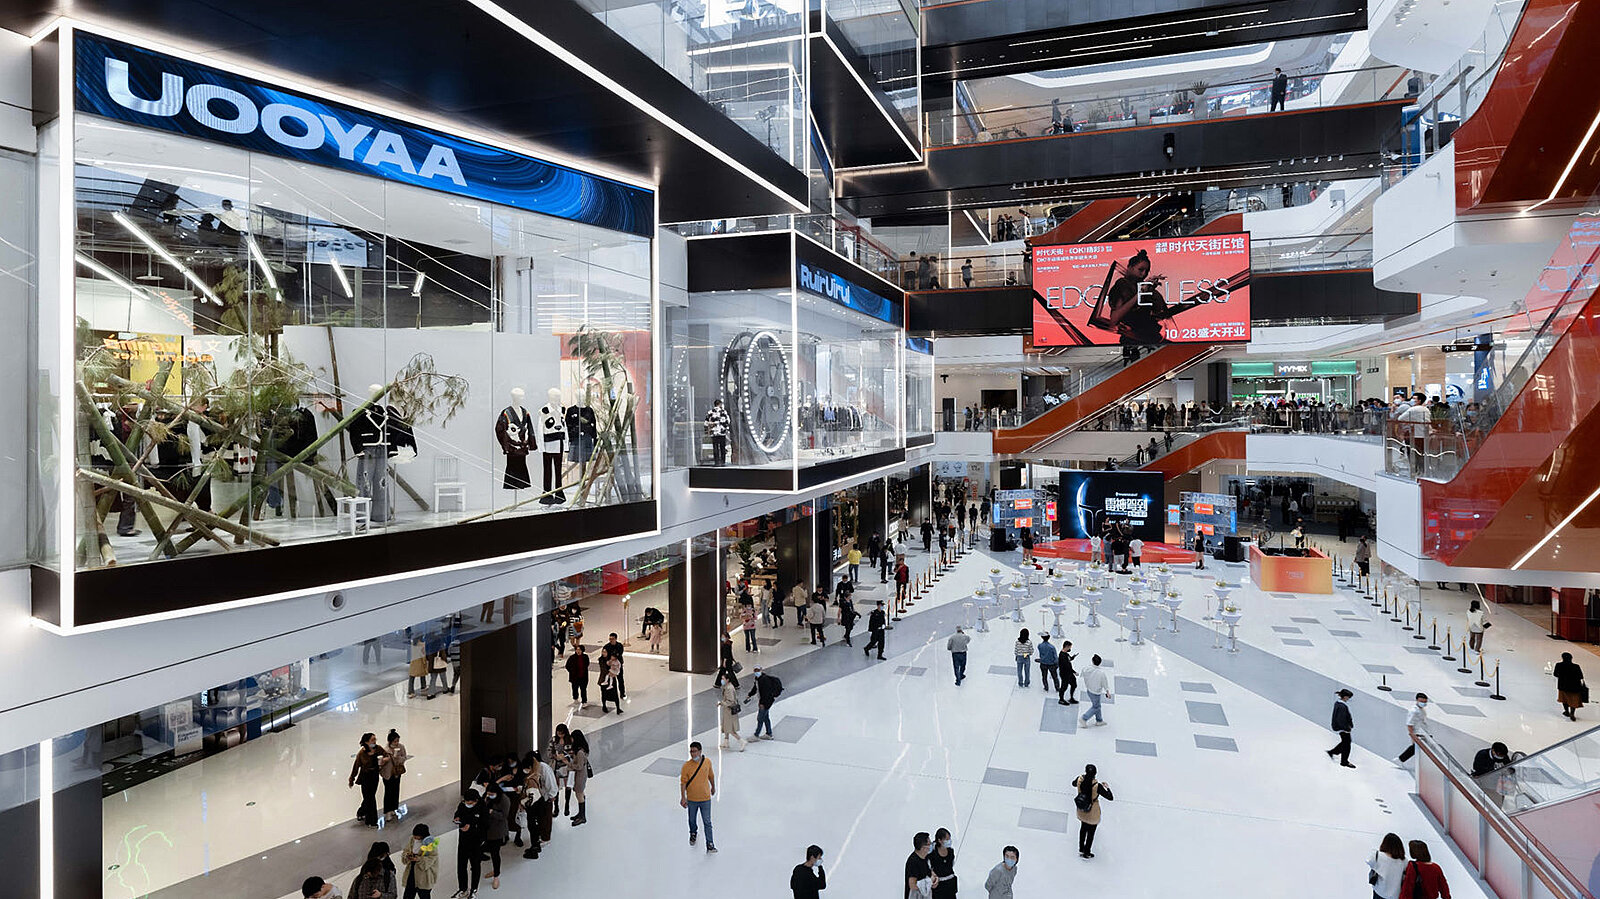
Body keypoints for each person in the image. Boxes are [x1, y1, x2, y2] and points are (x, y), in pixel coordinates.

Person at [680, 741, 717, 853]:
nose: (693, 754)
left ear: (700, 751)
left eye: (695, 751)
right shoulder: (686, 766)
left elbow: (711, 775)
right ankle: (693, 832)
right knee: (692, 819)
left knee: (707, 822)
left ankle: (710, 844)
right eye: (691, 751)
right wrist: (683, 797)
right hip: (692, 799)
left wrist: (713, 787)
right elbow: (683, 783)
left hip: (705, 798)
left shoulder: (707, 762)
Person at [1072, 764, 1113, 858]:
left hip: (1081, 809)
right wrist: (1107, 787)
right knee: (1091, 833)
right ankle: (1087, 852)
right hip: (1092, 812)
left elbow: (1073, 783)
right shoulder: (1096, 786)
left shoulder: (1080, 779)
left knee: (1083, 828)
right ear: (1095, 773)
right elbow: (1110, 797)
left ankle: (1081, 848)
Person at [349, 732, 388, 826]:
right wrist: (352, 779)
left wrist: (384, 760)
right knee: (370, 798)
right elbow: (356, 766)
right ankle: (372, 820)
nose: (375, 741)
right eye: (372, 740)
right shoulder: (361, 753)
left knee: (369, 797)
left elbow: (387, 756)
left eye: (375, 739)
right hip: (365, 777)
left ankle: (361, 811)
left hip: (374, 775)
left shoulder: (378, 748)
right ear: (366, 742)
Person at [452, 788, 485, 897]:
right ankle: (463, 888)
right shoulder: (462, 805)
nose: (468, 804)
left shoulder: (482, 807)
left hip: (476, 842)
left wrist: (471, 827)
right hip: (463, 840)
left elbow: (485, 825)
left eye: (470, 803)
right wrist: (457, 818)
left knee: (475, 866)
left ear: (476, 800)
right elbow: (458, 814)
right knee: (461, 865)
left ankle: (474, 889)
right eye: (466, 802)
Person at [479, 783, 510, 891]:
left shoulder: (504, 800)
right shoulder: (487, 797)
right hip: (486, 829)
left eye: (491, 794)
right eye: (488, 794)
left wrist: (492, 812)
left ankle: (496, 875)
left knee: (495, 854)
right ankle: (495, 871)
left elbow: (504, 816)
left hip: (497, 831)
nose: (489, 796)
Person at [401, 823, 438, 899]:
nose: (414, 837)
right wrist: (407, 855)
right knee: (408, 894)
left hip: (424, 874)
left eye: (416, 836)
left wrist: (419, 859)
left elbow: (432, 857)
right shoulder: (412, 840)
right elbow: (406, 850)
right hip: (412, 871)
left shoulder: (430, 843)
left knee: (424, 895)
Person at [747, 665, 782, 740]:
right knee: (765, 717)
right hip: (765, 701)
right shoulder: (757, 679)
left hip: (766, 702)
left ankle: (756, 735)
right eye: (755, 670)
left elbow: (766, 693)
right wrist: (750, 695)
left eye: (758, 670)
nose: (756, 672)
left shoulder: (764, 680)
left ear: (761, 670)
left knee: (760, 718)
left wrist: (762, 703)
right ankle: (769, 733)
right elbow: (755, 688)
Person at [716, 665, 747, 751]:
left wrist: (721, 703)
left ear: (727, 680)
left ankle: (741, 741)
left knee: (730, 728)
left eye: (723, 679)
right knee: (726, 726)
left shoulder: (729, 688)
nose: (721, 680)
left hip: (729, 711)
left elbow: (731, 701)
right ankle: (726, 742)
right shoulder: (727, 687)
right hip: (727, 710)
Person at [381, 729, 409, 821]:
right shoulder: (385, 750)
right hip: (388, 774)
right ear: (390, 741)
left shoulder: (401, 747)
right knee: (388, 792)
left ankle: (393, 808)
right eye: (395, 741)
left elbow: (405, 757)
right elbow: (382, 763)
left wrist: (398, 758)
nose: (397, 743)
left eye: (398, 740)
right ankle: (387, 811)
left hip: (397, 773)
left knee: (395, 790)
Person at [1368, 832, 1407, 899]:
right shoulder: (1404, 861)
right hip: (1395, 895)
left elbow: (1369, 861)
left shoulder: (1378, 856)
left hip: (1379, 891)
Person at [1327, 689, 1356, 768]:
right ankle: (1344, 761)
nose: (1348, 699)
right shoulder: (1342, 706)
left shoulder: (1338, 704)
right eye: (1348, 697)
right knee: (1347, 744)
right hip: (1343, 728)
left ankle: (1333, 752)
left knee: (1345, 742)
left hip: (1341, 727)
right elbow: (1341, 719)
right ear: (1345, 697)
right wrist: (1346, 728)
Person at [1396, 692, 1429, 764]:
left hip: (1422, 732)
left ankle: (1400, 760)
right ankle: (1400, 760)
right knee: (1414, 749)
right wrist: (1413, 736)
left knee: (1415, 749)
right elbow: (1409, 724)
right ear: (1417, 700)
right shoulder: (1414, 711)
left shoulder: (1422, 710)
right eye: (1422, 701)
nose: (1423, 703)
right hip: (1417, 733)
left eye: (1425, 702)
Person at [1079, 655, 1111, 726]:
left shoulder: (1086, 668)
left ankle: (1099, 720)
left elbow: (1082, 675)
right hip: (1096, 693)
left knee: (1097, 706)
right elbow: (1105, 684)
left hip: (1089, 690)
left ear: (1092, 661)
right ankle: (1084, 718)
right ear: (1100, 663)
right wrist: (1107, 692)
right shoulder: (1101, 673)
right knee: (1096, 707)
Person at [1554, 652, 1586, 720]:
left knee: (1564, 699)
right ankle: (1572, 713)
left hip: (1563, 686)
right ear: (1571, 658)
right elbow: (1580, 676)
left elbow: (1555, 674)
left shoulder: (1558, 665)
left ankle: (1566, 711)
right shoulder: (1576, 666)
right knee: (1573, 701)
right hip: (1575, 687)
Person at [567, 730, 590, 826]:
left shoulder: (580, 752)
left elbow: (579, 766)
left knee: (579, 795)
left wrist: (569, 763)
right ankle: (580, 814)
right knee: (580, 793)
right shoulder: (581, 750)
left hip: (580, 775)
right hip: (580, 774)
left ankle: (582, 816)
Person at [929, 827, 958, 899]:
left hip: (950, 885)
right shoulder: (933, 853)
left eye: (949, 839)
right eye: (946, 839)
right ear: (940, 840)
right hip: (939, 886)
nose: (949, 841)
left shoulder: (951, 851)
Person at [905, 832, 935, 899]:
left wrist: (935, 878)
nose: (931, 846)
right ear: (923, 847)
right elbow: (912, 885)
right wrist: (930, 881)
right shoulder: (913, 862)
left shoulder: (925, 858)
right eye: (929, 844)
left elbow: (929, 872)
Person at [705, 399, 730, 465]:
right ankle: (723, 461)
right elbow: (728, 421)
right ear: (720, 404)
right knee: (722, 447)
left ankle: (716, 462)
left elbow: (706, 423)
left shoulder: (710, 412)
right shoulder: (723, 412)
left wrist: (712, 425)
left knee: (715, 447)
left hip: (714, 433)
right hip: (722, 432)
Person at [1056, 640, 1079, 705]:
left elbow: (1069, 659)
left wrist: (1072, 657)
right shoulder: (1062, 655)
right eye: (1069, 647)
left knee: (1074, 684)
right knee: (1064, 686)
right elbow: (1067, 666)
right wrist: (1074, 672)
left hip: (1069, 673)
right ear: (1066, 647)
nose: (1070, 649)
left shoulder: (1066, 654)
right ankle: (1061, 699)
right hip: (1065, 674)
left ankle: (1071, 697)